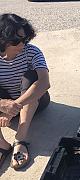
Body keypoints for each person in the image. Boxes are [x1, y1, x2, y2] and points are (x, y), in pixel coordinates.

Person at [0, 13, 50, 170]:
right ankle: (2, 145)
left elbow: (44, 82)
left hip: (35, 101)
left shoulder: (32, 52)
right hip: (6, 100)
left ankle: (20, 140)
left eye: (25, 39)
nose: (22, 44)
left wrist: (13, 107)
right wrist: (2, 104)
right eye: (16, 40)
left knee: (30, 77)